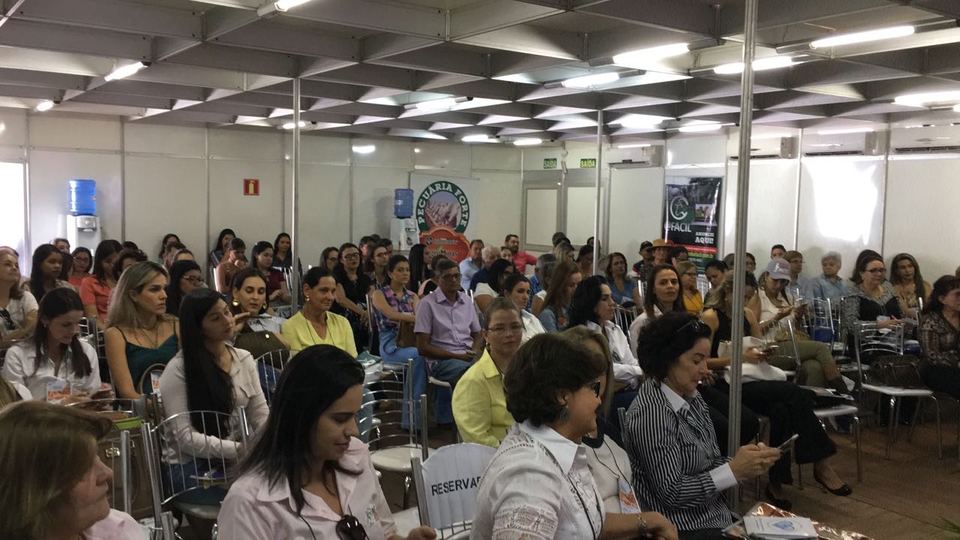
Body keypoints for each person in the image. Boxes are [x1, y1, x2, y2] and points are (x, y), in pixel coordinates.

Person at [217, 345, 437, 540]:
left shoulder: (356, 456)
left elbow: (385, 533)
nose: (354, 431)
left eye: (355, 415)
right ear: (300, 416)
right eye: (340, 419)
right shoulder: (251, 504)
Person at [473, 333, 678, 540]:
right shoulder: (530, 477)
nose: (598, 400)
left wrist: (647, 521)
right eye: (592, 388)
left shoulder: (560, 448)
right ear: (562, 396)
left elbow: (583, 524)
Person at [624, 311, 781, 539]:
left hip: (713, 517)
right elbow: (672, 493)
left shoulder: (691, 396)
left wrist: (745, 463)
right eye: (696, 360)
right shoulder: (652, 413)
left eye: (706, 360)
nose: (705, 369)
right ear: (668, 358)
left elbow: (711, 461)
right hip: (679, 529)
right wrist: (733, 470)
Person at [702, 272, 851, 505]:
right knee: (794, 394)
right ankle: (820, 462)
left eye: (749, 297)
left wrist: (764, 352)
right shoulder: (711, 317)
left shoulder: (748, 315)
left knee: (782, 409)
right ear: (727, 292)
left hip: (750, 378)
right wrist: (738, 358)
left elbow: (760, 348)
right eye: (741, 296)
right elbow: (701, 361)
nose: (745, 302)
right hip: (723, 382)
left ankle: (776, 482)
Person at [159, 288, 269, 509]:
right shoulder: (178, 370)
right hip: (190, 466)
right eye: (215, 317)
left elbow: (260, 414)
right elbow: (185, 438)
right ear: (197, 327)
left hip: (235, 457)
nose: (227, 321)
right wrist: (241, 449)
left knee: (280, 484)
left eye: (227, 312)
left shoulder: (243, 358)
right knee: (256, 498)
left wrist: (269, 442)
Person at [0, 401, 148, 540]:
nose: (108, 473)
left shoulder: (118, 530)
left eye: (96, 457)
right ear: (34, 492)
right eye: (83, 467)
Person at [757, 259, 846, 392]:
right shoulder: (757, 297)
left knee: (814, 367)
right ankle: (842, 391)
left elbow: (796, 331)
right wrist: (777, 317)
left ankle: (812, 405)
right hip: (767, 348)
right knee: (820, 348)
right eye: (775, 280)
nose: (778, 285)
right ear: (766, 276)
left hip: (790, 344)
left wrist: (798, 317)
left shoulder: (788, 297)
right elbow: (753, 330)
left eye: (783, 282)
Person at [2, 288, 102, 402]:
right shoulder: (17, 355)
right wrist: (61, 405)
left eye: (78, 323)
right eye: (66, 324)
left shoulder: (87, 351)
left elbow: (93, 395)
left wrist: (97, 400)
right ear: (45, 320)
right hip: (35, 419)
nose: (75, 330)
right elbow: (14, 409)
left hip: (79, 418)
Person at [452, 297, 523, 447]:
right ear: (485, 335)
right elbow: (478, 441)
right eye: (499, 328)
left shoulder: (529, 371)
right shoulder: (473, 381)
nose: (509, 334)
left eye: (515, 326)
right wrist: (519, 454)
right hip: (496, 461)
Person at [104, 262, 179, 398]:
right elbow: (126, 392)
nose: (164, 295)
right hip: (141, 411)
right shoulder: (116, 334)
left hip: (176, 404)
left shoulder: (175, 324)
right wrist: (156, 408)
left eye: (164, 289)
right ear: (133, 295)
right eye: (154, 289)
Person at [414, 258, 481, 389]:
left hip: (468, 357)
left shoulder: (466, 301)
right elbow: (422, 347)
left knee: (494, 371)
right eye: (447, 277)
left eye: (456, 276)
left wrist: (474, 351)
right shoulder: (427, 304)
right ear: (436, 279)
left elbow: (478, 334)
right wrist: (456, 356)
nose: (454, 280)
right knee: (473, 375)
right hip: (441, 362)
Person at [569, 275, 643, 389]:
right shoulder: (582, 334)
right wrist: (639, 371)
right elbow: (605, 370)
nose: (612, 303)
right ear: (591, 303)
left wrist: (638, 372)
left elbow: (630, 362)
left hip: (627, 389)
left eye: (611, 297)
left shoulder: (614, 329)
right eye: (605, 299)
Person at [283, 267, 357, 356]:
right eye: (324, 291)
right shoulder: (290, 326)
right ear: (306, 290)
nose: (330, 297)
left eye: (333, 291)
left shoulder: (342, 323)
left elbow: (353, 362)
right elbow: (299, 367)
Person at [842, 250, 904, 342]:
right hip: (866, 345)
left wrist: (902, 323)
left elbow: (900, 314)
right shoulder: (853, 294)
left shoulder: (888, 289)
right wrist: (879, 325)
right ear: (862, 273)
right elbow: (851, 325)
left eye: (881, 270)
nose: (879, 274)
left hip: (894, 341)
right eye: (873, 270)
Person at [371, 254, 420, 368]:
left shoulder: (413, 296)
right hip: (390, 343)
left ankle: (414, 386)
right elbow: (391, 315)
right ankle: (413, 386)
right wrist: (414, 318)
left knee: (432, 353)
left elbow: (419, 318)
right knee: (418, 355)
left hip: (411, 338)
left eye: (407, 270)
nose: (405, 273)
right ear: (390, 273)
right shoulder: (379, 294)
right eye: (400, 270)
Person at [230, 267, 290, 360]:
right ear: (235, 293)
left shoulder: (275, 323)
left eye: (261, 292)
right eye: (249, 291)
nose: (255, 297)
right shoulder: (226, 325)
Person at [919, 275, 960, 400]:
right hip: (936, 370)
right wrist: (957, 362)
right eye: (957, 295)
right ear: (942, 299)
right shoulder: (931, 321)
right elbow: (932, 355)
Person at [332, 242, 372, 354]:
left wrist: (368, 313)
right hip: (344, 318)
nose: (353, 259)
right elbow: (341, 299)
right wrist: (362, 313)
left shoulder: (365, 278)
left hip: (364, 320)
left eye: (356, 255)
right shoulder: (336, 277)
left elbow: (372, 297)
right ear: (341, 260)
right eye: (348, 257)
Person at [79, 239, 122, 327]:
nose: (112, 265)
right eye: (108, 261)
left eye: (116, 262)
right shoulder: (89, 283)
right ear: (100, 262)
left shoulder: (126, 281)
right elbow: (92, 318)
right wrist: (111, 335)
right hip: (102, 331)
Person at [0, 250, 37, 347]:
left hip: (24, 354)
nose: (14, 268)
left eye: (17, 266)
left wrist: (5, 341)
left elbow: (33, 325)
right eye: (7, 264)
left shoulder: (26, 297)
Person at [539, 259, 582, 332]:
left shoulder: (578, 308)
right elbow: (555, 342)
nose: (577, 289)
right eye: (571, 285)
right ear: (560, 287)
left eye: (579, 284)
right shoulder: (548, 314)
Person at [502, 273, 545, 343]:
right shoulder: (499, 319)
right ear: (507, 294)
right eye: (520, 291)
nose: (526, 297)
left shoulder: (532, 318)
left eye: (528, 292)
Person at [890, 253, 932, 319]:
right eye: (903, 268)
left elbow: (930, 308)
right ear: (896, 271)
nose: (907, 270)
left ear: (915, 268)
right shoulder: (892, 288)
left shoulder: (925, 286)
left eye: (910, 266)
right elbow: (903, 310)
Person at [251, 241, 291, 306]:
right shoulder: (250, 274)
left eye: (271, 256)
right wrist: (270, 297)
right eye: (266, 255)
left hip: (279, 307)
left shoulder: (277, 273)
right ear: (256, 255)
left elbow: (286, 294)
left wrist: (284, 296)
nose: (269, 259)